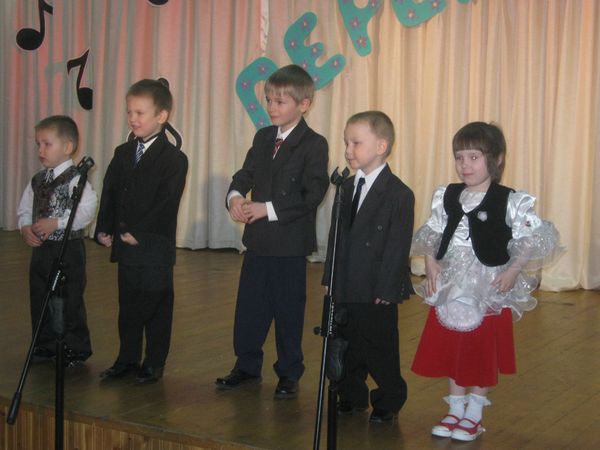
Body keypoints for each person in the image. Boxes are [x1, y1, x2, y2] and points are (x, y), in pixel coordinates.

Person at [411, 122, 562, 441]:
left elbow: (531, 238)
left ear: (497, 158)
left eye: (473, 157)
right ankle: (455, 408)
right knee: (454, 344)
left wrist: (513, 270)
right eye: (459, 157)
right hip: (452, 284)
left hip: (488, 285)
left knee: (481, 347)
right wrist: (431, 261)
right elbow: (432, 232)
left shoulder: (509, 200)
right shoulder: (448, 195)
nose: (465, 165)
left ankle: (474, 413)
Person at [215, 65, 329, 399]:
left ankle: (289, 372)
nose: (272, 107)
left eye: (280, 101)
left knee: (288, 311)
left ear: (304, 104)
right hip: (258, 241)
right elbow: (246, 173)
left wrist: (269, 209)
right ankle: (246, 365)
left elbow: (313, 193)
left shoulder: (314, 144)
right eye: (269, 100)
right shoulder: (263, 137)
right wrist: (235, 197)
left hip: (289, 245)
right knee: (250, 307)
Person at [322, 111, 415, 423]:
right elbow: (336, 237)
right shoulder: (346, 187)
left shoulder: (399, 193)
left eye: (356, 143)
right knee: (346, 342)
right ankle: (351, 393)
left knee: (379, 346)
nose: (348, 150)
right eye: (346, 143)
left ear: (381, 146)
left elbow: (397, 247)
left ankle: (389, 398)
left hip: (376, 286)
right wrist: (329, 276)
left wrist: (387, 288)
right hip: (346, 281)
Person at [95, 79, 188, 385]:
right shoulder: (123, 152)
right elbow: (110, 191)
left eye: (140, 113)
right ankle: (127, 358)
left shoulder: (174, 159)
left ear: (161, 116)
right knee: (128, 306)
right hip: (125, 246)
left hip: (153, 247)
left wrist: (140, 232)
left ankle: (154, 362)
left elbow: (166, 202)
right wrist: (104, 226)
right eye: (129, 112)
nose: (133, 119)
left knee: (156, 306)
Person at [17, 115, 97, 367]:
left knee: (69, 297)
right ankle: (45, 344)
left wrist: (58, 223)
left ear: (67, 147)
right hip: (42, 250)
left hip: (68, 249)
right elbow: (25, 208)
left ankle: (74, 348)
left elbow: (87, 210)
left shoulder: (76, 179)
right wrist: (25, 227)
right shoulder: (38, 180)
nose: (40, 150)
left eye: (47, 144)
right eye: (38, 144)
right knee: (40, 295)